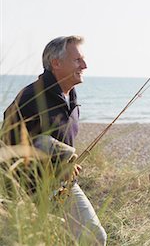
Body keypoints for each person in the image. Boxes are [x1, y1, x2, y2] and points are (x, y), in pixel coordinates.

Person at [1, 36, 107, 245]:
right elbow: (10, 142)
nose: (85, 65)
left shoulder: (72, 98)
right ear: (56, 63)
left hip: (63, 185)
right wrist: (62, 159)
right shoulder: (31, 96)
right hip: (30, 190)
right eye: (78, 60)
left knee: (94, 237)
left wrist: (66, 165)